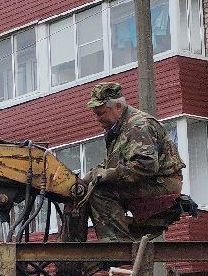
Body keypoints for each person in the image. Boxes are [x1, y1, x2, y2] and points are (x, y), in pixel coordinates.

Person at [78, 81, 188, 241]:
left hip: (161, 183)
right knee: (87, 189)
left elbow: (146, 166)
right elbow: (114, 163)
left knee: (100, 192)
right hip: (150, 181)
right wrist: (85, 179)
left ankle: (116, 243)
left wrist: (105, 176)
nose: (98, 119)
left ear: (118, 107)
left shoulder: (137, 126)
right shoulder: (119, 128)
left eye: (101, 113)